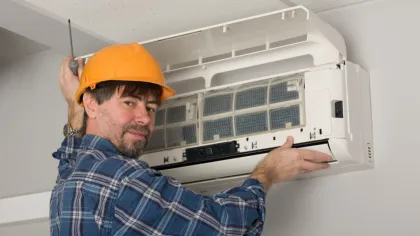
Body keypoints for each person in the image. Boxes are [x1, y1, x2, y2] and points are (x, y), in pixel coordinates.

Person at [50, 43, 332, 236]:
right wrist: (267, 173)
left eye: (150, 108)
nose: (144, 118)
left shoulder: (71, 182)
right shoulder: (124, 181)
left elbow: (71, 158)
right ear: (92, 104)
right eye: (129, 102)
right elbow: (223, 226)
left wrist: (76, 108)